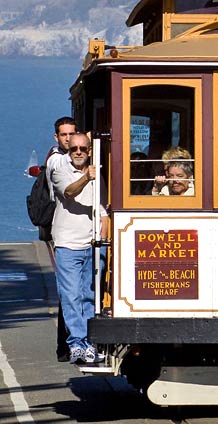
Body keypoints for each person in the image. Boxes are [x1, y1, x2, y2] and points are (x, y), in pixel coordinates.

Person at [50, 132, 109, 364]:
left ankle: (89, 343)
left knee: (89, 296)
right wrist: (87, 177)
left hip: (91, 244)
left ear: (89, 151)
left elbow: (103, 212)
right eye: (73, 148)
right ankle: (76, 343)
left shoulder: (98, 177)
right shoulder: (60, 170)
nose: (77, 152)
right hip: (67, 244)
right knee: (71, 295)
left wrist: (101, 243)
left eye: (82, 149)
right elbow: (69, 193)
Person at [45, 117, 77, 362]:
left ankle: (68, 343)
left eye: (72, 134)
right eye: (64, 135)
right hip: (65, 231)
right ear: (57, 137)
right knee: (68, 291)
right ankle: (64, 344)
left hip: (79, 231)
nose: (69, 139)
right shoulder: (57, 160)